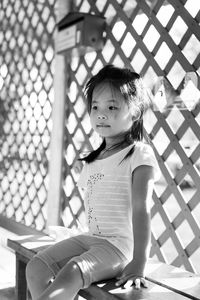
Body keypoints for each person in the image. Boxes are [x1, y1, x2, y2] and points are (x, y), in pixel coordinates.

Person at [26, 64, 160, 300]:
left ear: (136, 113)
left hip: (119, 248)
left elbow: (142, 209)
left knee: (73, 270)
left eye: (111, 107)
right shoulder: (94, 158)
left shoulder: (139, 154)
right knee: (36, 267)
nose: (101, 113)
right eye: (95, 106)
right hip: (92, 239)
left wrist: (140, 260)